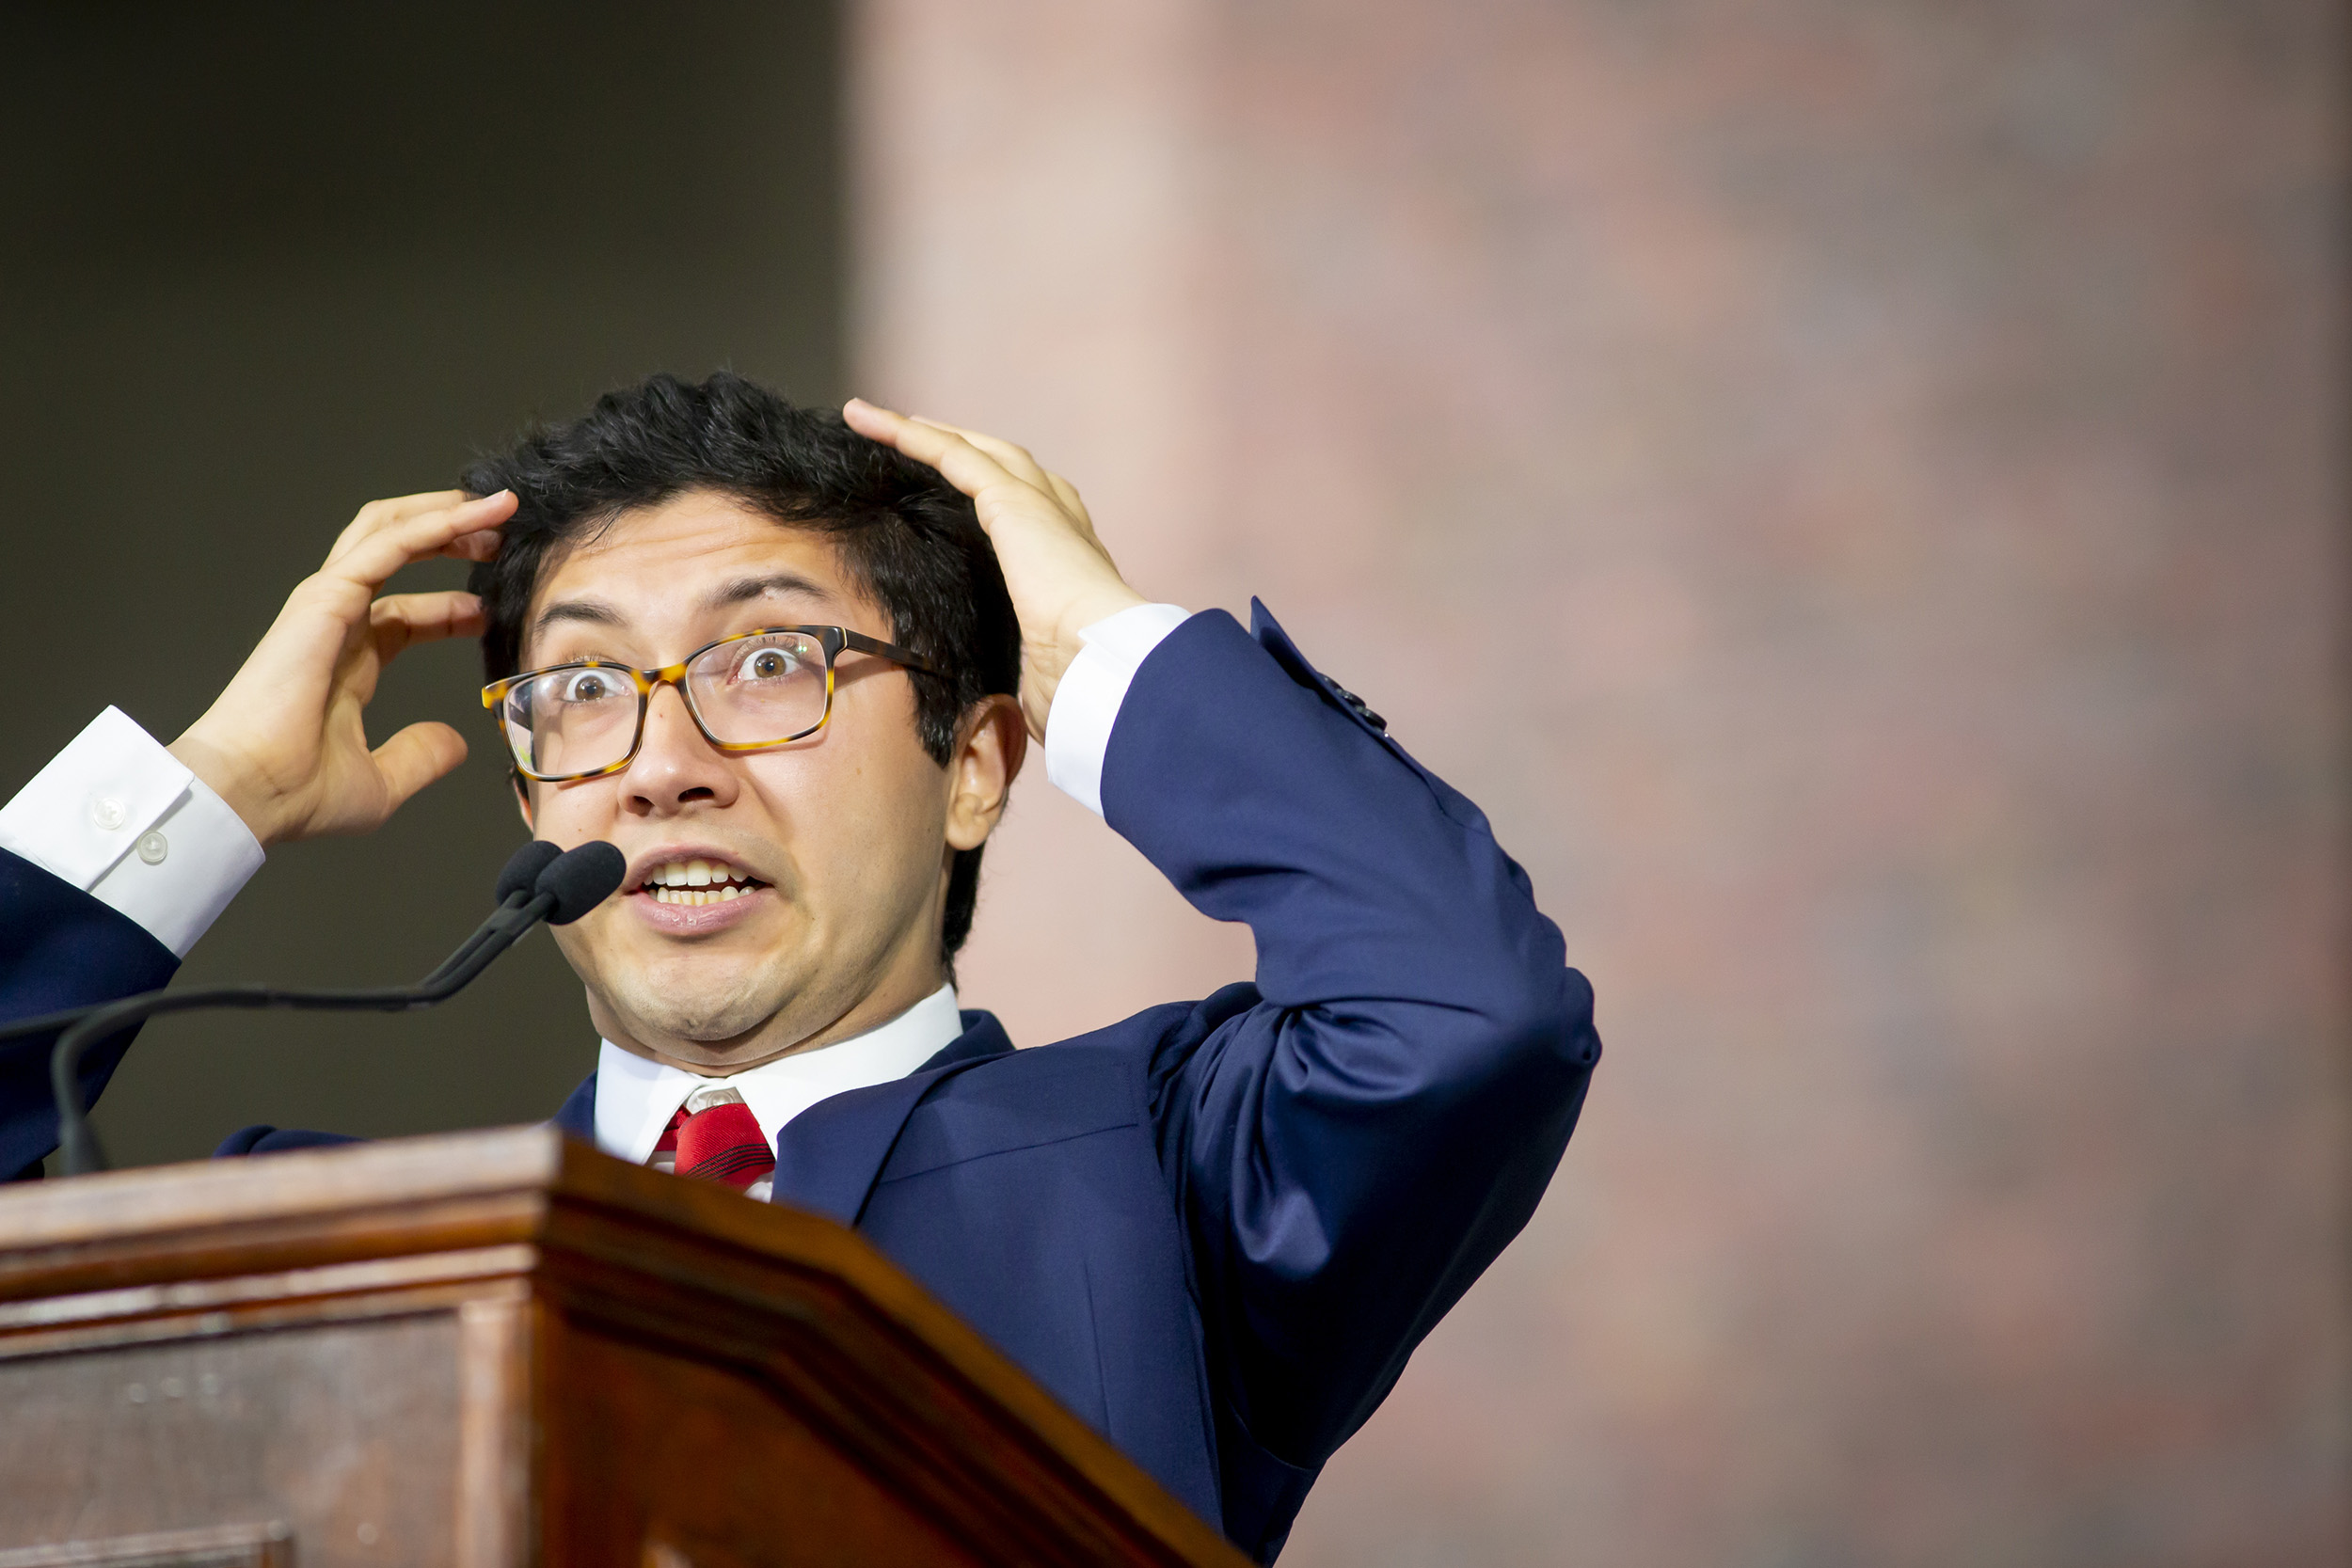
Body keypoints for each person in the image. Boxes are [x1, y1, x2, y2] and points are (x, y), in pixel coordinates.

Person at [0, 372, 1597, 1561]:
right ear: (534, 790)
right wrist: (203, 799)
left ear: (976, 763)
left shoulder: (1174, 1165)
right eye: (579, 690)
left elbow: (1467, 1014)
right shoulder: (341, 1253)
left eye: (772, 663)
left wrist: (1098, 642)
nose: (661, 762)